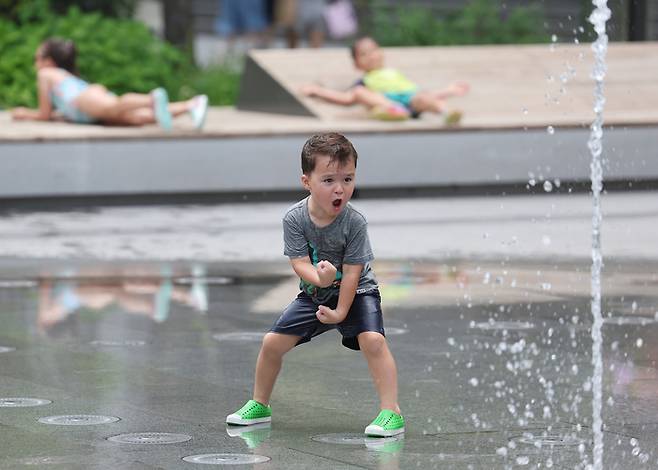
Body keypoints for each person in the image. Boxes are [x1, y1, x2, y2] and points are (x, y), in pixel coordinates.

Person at [226, 132, 404, 438]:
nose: (340, 189)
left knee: (373, 341)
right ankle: (260, 404)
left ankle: (392, 412)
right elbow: (298, 263)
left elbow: (351, 274)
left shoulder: (354, 222)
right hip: (314, 294)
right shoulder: (295, 218)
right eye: (329, 180)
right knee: (271, 343)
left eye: (348, 180)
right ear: (306, 181)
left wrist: (340, 312)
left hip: (358, 292)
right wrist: (319, 279)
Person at [10, 38, 208, 130]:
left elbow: (43, 115)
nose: (35, 63)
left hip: (85, 100)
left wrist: (24, 113)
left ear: (48, 61)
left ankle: (151, 98)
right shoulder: (59, 75)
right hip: (89, 109)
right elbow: (52, 113)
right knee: (139, 119)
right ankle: (191, 105)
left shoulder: (46, 73)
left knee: (116, 105)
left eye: (37, 58)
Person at [302, 36, 469, 123]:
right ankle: (393, 109)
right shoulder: (365, 81)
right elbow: (346, 98)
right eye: (364, 54)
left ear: (381, 53)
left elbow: (425, 94)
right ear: (357, 64)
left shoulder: (394, 73)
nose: (370, 56)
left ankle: (446, 112)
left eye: (373, 51)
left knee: (423, 98)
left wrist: (449, 90)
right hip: (387, 101)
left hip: (410, 99)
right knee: (359, 92)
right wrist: (317, 91)